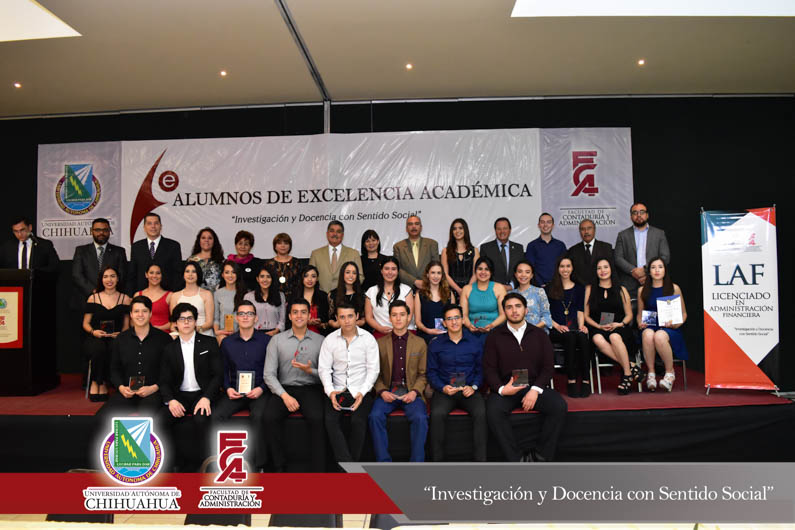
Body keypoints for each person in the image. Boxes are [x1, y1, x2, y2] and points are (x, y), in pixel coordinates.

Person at [484, 293, 568, 462]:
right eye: (509, 307)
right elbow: (489, 369)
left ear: (526, 310)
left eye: (518, 306)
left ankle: (541, 456)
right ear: (504, 312)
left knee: (559, 406)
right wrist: (502, 389)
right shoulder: (494, 336)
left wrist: (535, 390)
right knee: (493, 411)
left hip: (533, 386)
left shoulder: (539, 334)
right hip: (508, 387)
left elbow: (548, 367)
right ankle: (516, 459)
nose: (514, 311)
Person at [264, 298, 327, 472]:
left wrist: (310, 371)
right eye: (295, 312)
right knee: (269, 418)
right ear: (290, 316)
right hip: (284, 388)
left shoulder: (321, 341)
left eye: (303, 312)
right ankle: (279, 467)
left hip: (311, 388)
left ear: (309, 316)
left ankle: (319, 470)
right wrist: (285, 396)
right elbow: (269, 374)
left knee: (317, 418)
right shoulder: (276, 340)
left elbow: (327, 373)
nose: (299, 316)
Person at [158, 303, 223, 471]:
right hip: (179, 395)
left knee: (201, 420)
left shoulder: (209, 343)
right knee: (161, 420)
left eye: (189, 318)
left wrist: (207, 397)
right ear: (175, 323)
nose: (186, 322)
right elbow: (164, 380)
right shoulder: (169, 348)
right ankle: (172, 464)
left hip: (202, 394)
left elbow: (218, 375)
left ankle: (201, 466)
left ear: (195, 321)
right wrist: (171, 400)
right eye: (182, 319)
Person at [318, 302, 379, 464]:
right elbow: (324, 369)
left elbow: (373, 370)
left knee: (358, 422)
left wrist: (362, 392)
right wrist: (330, 392)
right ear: (337, 319)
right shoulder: (330, 340)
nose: (347, 321)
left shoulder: (368, 339)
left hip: (361, 389)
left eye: (350, 316)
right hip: (337, 390)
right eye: (342, 317)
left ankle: (347, 467)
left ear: (357, 316)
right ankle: (349, 467)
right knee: (330, 421)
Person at [214, 300, 271, 471]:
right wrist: (228, 388)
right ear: (236, 318)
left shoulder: (267, 341)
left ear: (256, 318)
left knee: (259, 416)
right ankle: (227, 460)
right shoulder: (227, 343)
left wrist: (261, 388)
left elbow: (273, 370)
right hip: (235, 391)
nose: (245, 317)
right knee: (216, 416)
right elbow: (223, 370)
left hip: (259, 390)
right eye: (242, 314)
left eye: (250, 314)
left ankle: (258, 465)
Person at [369, 301, 428, 462]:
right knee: (374, 416)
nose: (398, 318)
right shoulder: (380, 343)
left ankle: (416, 464)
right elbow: (375, 374)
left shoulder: (420, 343)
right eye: (394, 315)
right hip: (388, 392)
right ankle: (384, 463)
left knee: (420, 418)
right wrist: (382, 391)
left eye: (402, 314)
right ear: (389, 318)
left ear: (409, 317)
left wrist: (414, 392)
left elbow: (423, 374)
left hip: (411, 392)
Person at [96, 295, 172, 419]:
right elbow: (114, 369)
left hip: (153, 393)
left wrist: (153, 388)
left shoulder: (164, 339)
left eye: (144, 311)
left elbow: (169, 371)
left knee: (146, 417)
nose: (140, 315)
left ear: (150, 314)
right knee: (101, 417)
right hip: (127, 392)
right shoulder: (121, 339)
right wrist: (121, 388)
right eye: (136, 311)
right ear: (131, 314)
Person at [427, 303, 486, 462]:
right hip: (445, 391)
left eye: (457, 318)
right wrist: (442, 387)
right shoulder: (435, 344)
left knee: (481, 413)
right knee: (437, 414)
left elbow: (481, 370)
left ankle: (481, 462)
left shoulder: (475, 342)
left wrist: (474, 387)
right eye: (449, 319)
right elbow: (431, 372)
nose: (454, 322)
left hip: (469, 389)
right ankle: (437, 462)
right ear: (444, 323)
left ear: (462, 319)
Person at [584, 258, 638, 395]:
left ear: (611, 269)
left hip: (619, 327)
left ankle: (627, 374)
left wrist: (620, 324)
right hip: (598, 327)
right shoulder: (590, 289)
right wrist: (598, 326)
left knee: (615, 337)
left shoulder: (621, 289)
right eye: (599, 268)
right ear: (595, 271)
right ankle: (631, 368)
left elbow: (629, 315)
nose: (603, 271)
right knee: (596, 338)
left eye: (605, 267)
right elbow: (586, 316)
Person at [637, 257, 689, 392]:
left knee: (659, 336)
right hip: (650, 326)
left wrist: (676, 324)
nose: (657, 270)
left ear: (665, 270)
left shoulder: (674, 288)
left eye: (660, 267)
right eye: (653, 267)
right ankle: (651, 373)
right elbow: (639, 315)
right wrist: (640, 323)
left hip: (670, 329)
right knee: (648, 334)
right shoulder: (642, 290)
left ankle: (669, 373)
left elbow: (684, 314)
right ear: (649, 272)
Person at [82, 265, 131, 401]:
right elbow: (85, 323)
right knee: (99, 348)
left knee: (113, 347)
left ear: (118, 279)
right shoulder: (93, 298)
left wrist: (120, 335)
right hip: (95, 337)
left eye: (112, 276)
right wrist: (94, 332)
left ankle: (105, 383)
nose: (109, 280)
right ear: (101, 279)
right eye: (106, 277)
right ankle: (97, 382)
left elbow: (126, 325)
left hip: (116, 338)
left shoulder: (125, 299)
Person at [546, 256, 591, 398]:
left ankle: (586, 380)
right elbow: (545, 313)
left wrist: (582, 326)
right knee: (570, 337)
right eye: (562, 266)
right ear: (557, 269)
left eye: (568, 266)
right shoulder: (549, 288)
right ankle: (571, 380)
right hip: (555, 329)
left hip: (573, 328)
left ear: (572, 268)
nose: (565, 269)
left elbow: (580, 310)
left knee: (582, 337)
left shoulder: (579, 288)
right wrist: (557, 326)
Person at [614, 203, 671, 297]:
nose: (639, 215)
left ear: (647, 215)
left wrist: (645, 270)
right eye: (635, 213)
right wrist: (633, 271)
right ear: (631, 217)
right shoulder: (623, 235)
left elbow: (665, 257)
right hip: (629, 284)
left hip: (654, 281)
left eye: (642, 212)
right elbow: (618, 258)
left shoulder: (659, 234)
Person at [72, 218, 127, 310]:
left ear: (109, 231)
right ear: (92, 231)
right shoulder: (81, 251)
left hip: (112, 300)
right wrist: (94, 291)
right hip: (85, 300)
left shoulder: (119, 251)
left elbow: (122, 275)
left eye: (105, 230)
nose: (101, 233)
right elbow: (77, 275)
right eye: (97, 230)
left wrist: (107, 292)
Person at [127, 212, 182, 294]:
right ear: (144, 227)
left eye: (156, 223)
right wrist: (132, 295)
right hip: (142, 294)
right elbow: (132, 274)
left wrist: (174, 295)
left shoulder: (173, 246)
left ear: (161, 226)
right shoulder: (136, 247)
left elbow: (178, 274)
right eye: (149, 223)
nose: (153, 226)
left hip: (167, 294)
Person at [364, 257, 415, 338]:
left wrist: (399, 330)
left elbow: (409, 316)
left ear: (398, 271)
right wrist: (379, 328)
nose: (390, 272)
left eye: (393, 269)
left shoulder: (406, 290)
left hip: (405, 331)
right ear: (381, 271)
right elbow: (368, 317)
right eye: (386, 269)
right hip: (381, 332)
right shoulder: (371, 291)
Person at [461, 257, 507, 346]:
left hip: (495, 330)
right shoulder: (466, 289)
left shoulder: (499, 288)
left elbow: (503, 315)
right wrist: (469, 326)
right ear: (475, 271)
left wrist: (491, 326)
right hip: (472, 331)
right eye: (480, 269)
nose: (483, 272)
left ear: (491, 272)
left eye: (487, 269)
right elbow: (464, 315)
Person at [308, 221, 363, 293]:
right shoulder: (316, 254)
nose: (335, 234)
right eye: (332, 231)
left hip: (345, 296)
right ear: (327, 234)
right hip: (321, 296)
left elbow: (360, 277)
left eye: (338, 231)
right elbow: (310, 276)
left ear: (342, 235)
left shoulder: (354, 254)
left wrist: (348, 291)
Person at [392, 215, 439, 290]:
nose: (413, 226)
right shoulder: (398, 247)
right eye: (410, 224)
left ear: (421, 227)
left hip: (429, 286)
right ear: (406, 228)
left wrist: (426, 282)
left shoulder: (432, 244)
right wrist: (414, 281)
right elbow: (397, 269)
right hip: (406, 288)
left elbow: (436, 266)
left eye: (416, 224)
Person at [169, 262, 214, 336]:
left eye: (194, 271)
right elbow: (174, 323)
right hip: (182, 334)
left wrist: (193, 330)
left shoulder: (207, 294)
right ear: (183, 275)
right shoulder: (175, 296)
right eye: (187, 271)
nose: (190, 274)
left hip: (202, 333)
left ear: (198, 274)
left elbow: (209, 322)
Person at [414, 260, 454, 344]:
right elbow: (417, 322)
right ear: (427, 275)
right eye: (433, 273)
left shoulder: (449, 294)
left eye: (439, 273)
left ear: (442, 275)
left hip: (446, 337)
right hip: (425, 337)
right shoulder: (419, 295)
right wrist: (428, 330)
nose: (436, 276)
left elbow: (453, 318)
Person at [565, 219, 614, 286]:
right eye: (583, 229)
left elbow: (612, 271)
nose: (586, 231)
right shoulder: (573, 250)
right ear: (579, 232)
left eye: (589, 228)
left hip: (601, 288)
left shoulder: (606, 248)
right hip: (580, 288)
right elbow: (572, 274)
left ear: (594, 230)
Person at [479, 217, 525, 287]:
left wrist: (511, 285)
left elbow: (521, 269)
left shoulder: (518, 248)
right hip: (493, 289)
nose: (502, 231)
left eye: (505, 228)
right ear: (495, 230)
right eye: (499, 229)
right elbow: (483, 271)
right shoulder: (485, 248)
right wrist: (498, 287)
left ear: (510, 230)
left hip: (514, 289)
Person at [524, 213, 567, 288]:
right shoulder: (532, 246)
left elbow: (564, 267)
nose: (545, 225)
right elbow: (530, 268)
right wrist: (540, 284)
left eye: (548, 222)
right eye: (542, 222)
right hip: (537, 287)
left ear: (553, 225)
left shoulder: (560, 245)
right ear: (538, 225)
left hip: (557, 286)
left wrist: (557, 283)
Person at [243, 263, 286, 336]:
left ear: (272, 279)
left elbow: (282, 320)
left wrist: (276, 331)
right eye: (262, 276)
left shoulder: (280, 296)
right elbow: (245, 318)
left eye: (268, 277)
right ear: (257, 279)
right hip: (254, 334)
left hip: (275, 334)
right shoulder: (248, 297)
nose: (265, 280)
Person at [441, 218, 478, 301]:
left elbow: (476, 273)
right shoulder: (445, 251)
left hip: (471, 291)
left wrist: (466, 290)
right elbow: (445, 274)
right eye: (454, 229)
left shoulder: (475, 251)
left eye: (460, 228)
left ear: (465, 230)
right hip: (450, 292)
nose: (457, 231)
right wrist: (458, 290)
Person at [510, 260, 552, 332]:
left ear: (532, 275)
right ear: (515, 274)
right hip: (516, 332)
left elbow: (547, 317)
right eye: (520, 272)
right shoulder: (510, 294)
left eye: (527, 272)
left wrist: (531, 330)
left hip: (537, 331)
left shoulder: (539, 292)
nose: (523, 275)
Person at [213, 260, 247, 343]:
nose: (230, 275)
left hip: (241, 334)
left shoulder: (245, 294)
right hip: (223, 334)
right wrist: (217, 331)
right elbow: (216, 318)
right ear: (222, 275)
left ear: (237, 274)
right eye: (227, 272)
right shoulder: (217, 293)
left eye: (233, 272)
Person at [135, 263, 172, 332]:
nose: (154, 276)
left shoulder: (170, 296)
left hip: (163, 334)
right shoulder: (138, 295)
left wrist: (158, 329)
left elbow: (175, 321)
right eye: (151, 273)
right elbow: (132, 320)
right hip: (142, 334)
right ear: (146, 275)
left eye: (158, 273)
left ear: (162, 275)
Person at [328, 261, 366, 329]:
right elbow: (329, 318)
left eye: (354, 273)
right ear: (342, 274)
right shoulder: (332, 294)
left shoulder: (362, 294)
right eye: (348, 272)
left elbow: (364, 318)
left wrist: (356, 323)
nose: (351, 275)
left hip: (358, 330)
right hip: (338, 331)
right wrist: (334, 324)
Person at [264, 232, 301, 301]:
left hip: (294, 300)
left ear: (290, 246)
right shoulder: (269, 264)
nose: (283, 246)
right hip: (273, 299)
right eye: (279, 243)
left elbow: (300, 283)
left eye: (286, 243)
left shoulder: (296, 262)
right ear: (275, 246)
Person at [187, 227, 224, 291]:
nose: (206, 240)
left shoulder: (221, 261)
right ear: (199, 241)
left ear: (214, 241)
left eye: (210, 238)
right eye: (203, 238)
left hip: (216, 296)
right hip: (195, 295)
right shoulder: (191, 260)